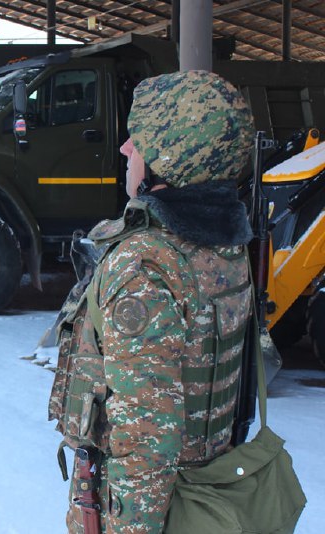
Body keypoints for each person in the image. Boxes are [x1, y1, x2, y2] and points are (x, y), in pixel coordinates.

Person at [48, 69, 255, 533]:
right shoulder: (224, 247)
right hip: (205, 495)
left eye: (136, 140)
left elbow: (146, 437)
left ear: (171, 154)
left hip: (146, 509)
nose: (124, 149)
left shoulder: (147, 265)